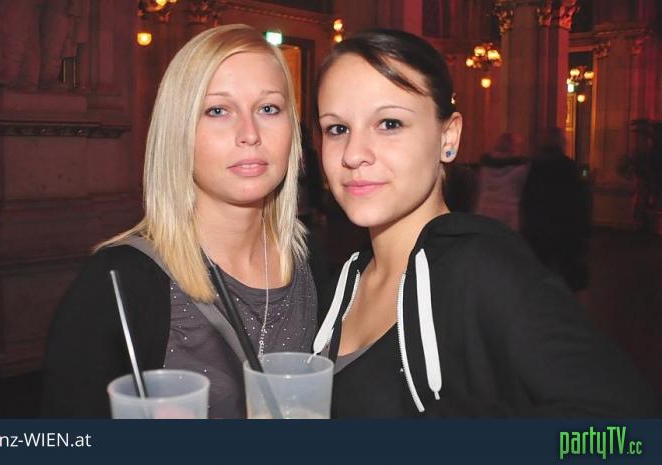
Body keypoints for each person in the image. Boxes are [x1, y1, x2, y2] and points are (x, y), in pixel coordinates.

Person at [313, 29, 658, 417]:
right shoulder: (340, 283)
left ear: (448, 137)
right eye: (337, 129)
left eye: (390, 123)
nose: (353, 154)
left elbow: (626, 432)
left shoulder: (482, 268)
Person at [42, 24, 318, 418]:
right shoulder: (119, 282)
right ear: (179, 130)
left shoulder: (315, 265)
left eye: (268, 109)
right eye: (217, 110)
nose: (250, 133)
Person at [520, 127, 591, 292]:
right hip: (564, 228)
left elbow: (527, 198)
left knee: (540, 273)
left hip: (539, 228)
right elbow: (580, 201)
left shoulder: (535, 167)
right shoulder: (569, 167)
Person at [474, 132, 528, 231]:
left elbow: (479, 191)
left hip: (484, 212)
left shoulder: (485, 166)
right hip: (509, 216)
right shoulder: (520, 169)